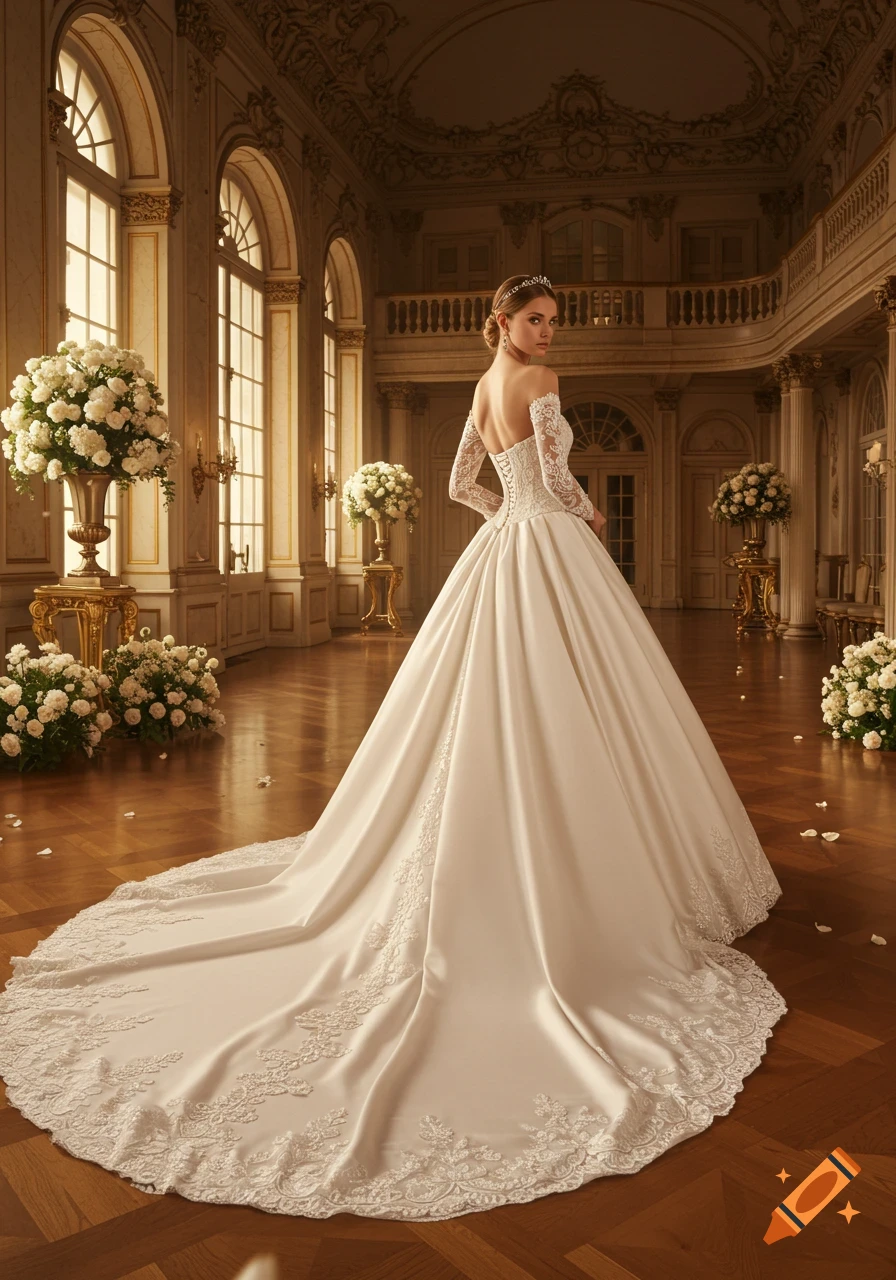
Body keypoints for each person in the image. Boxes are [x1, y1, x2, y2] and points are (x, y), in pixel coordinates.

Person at [0, 273, 787, 1224]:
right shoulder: (541, 389)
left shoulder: (481, 390)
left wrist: (510, 521)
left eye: (551, 322)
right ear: (503, 321)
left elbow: (464, 483)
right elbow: (560, 477)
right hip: (552, 550)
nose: (547, 333)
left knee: (510, 699)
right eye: (535, 320)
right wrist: (570, 512)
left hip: (505, 555)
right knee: (579, 697)